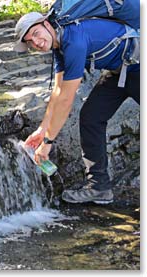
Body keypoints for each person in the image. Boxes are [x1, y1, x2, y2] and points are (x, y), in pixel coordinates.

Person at [13, 11, 140, 204]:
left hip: (140, 66)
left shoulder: (74, 40)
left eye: (36, 33)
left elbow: (66, 99)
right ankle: (99, 188)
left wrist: (47, 142)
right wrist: (42, 129)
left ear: (47, 24)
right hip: (120, 72)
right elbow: (57, 92)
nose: (36, 42)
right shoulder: (59, 47)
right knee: (91, 117)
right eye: (30, 41)